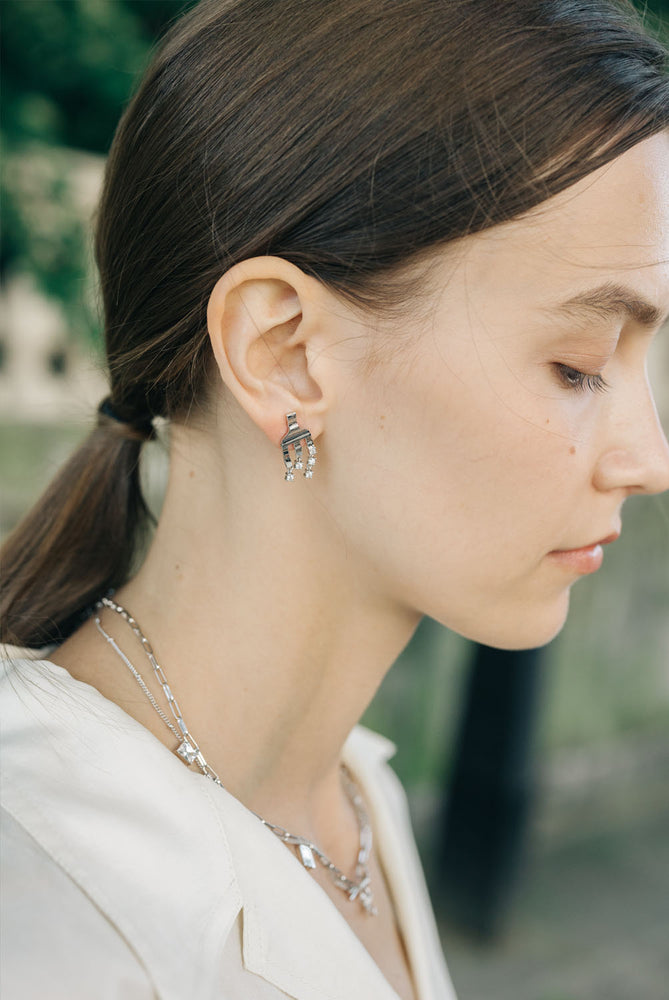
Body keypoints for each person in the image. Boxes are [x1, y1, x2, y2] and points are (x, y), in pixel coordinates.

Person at [1, 1, 668, 997]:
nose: (649, 457)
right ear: (285, 353)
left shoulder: (356, 793)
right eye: (578, 365)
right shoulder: (54, 894)